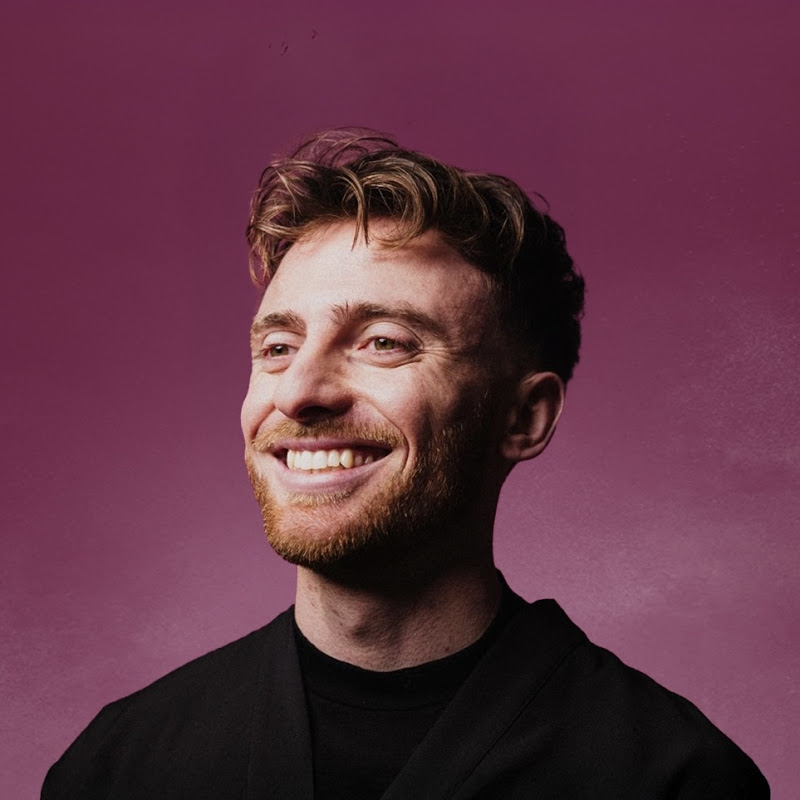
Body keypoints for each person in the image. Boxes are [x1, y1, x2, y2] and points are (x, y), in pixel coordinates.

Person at [42, 129, 769, 799]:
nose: (299, 392)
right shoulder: (118, 769)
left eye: (384, 342)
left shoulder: (672, 779)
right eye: (277, 348)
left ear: (523, 418)